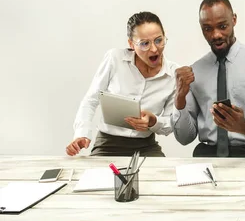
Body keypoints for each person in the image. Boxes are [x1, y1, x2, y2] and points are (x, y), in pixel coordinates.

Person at [172, 0, 245, 158]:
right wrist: (179, 99)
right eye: (207, 28)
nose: (215, 35)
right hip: (208, 155)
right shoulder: (193, 72)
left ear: (234, 20)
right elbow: (184, 138)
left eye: (222, 26)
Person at [66, 12, 178, 157]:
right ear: (131, 44)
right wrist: (81, 134)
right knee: (94, 178)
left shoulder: (174, 73)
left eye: (158, 40)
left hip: (146, 147)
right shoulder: (115, 59)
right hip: (108, 144)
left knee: (165, 178)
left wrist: (153, 121)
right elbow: (91, 100)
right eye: (145, 43)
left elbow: (171, 122)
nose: (154, 49)